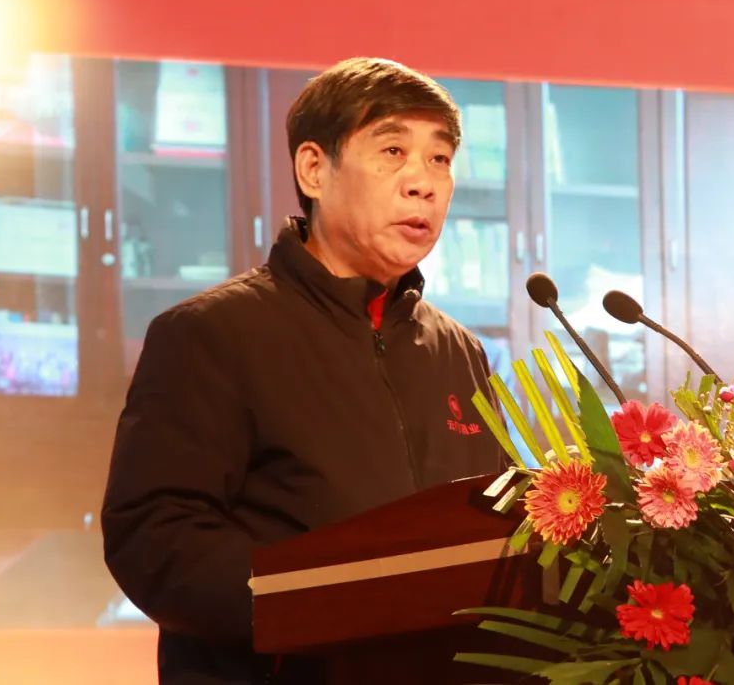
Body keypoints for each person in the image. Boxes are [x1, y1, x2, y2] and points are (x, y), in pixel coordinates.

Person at [101, 58, 505, 684]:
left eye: (440, 159)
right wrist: (334, 604)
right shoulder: (212, 333)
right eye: (393, 151)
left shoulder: (459, 352)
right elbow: (156, 539)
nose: (423, 183)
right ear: (314, 169)